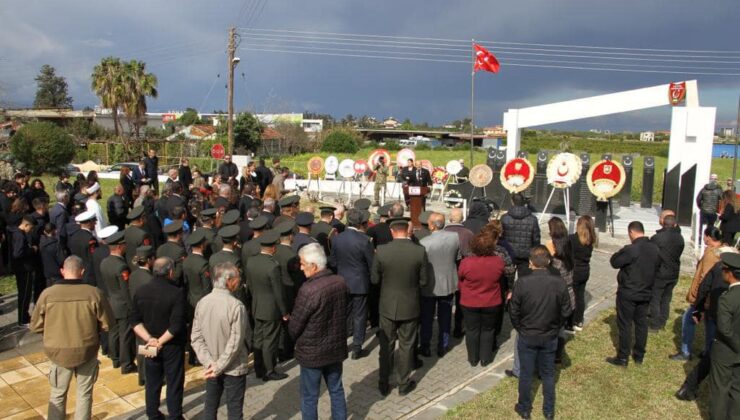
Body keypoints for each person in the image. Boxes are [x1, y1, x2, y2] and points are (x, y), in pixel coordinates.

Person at [30, 255, 114, 420]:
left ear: (62, 271)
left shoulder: (47, 294)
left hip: (57, 352)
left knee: (57, 394)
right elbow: (107, 324)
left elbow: (35, 326)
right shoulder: (94, 293)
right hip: (87, 350)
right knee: (84, 394)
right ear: (82, 272)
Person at [509, 246, 572, 420]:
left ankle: (524, 408)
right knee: (548, 374)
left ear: (530, 263)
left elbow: (513, 311)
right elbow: (566, 310)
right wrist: (556, 326)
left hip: (529, 335)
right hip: (548, 334)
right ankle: (548, 410)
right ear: (549, 261)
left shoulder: (522, 282)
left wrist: (520, 328)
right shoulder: (558, 282)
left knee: (526, 373)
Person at [290, 243, 349, 420]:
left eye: (302, 264)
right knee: (337, 390)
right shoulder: (340, 281)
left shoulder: (308, 290)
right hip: (335, 349)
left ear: (314, 266)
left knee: (309, 397)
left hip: (312, 354)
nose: (300, 268)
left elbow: (295, 326)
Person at [371, 217, 428, 396]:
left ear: (392, 231)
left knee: (385, 345)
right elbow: (424, 280)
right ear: (407, 230)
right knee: (407, 345)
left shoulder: (381, 250)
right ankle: (403, 383)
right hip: (410, 304)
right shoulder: (419, 251)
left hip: (387, 305)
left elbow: (374, 279)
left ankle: (383, 382)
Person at [675, 244, 738, 401]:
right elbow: (704, 288)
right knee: (714, 354)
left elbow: (704, 287)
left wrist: (698, 309)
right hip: (720, 317)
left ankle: (689, 386)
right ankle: (690, 386)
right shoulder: (721, 268)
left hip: (720, 316)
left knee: (714, 353)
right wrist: (697, 310)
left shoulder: (719, 267)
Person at [131, 257, 187, 420]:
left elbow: (134, 321)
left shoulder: (141, 291)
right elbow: (176, 325)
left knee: (152, 382)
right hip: (171, 345)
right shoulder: (176, 293)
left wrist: (150, 340)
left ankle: (153, 414)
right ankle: (175, 415)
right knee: (174, 382)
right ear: (170, 272)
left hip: (150, 345)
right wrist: (160, 341)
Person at [191, 262, 248, 420]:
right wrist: (218, 366)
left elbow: (196, 338)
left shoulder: (202, 303)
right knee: (235, 409)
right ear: (229, 280)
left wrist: (210, 363)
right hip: (233, 368)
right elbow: (235, 342)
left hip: (211, 366)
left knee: (210, 405)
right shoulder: (236, 306)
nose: (239, 281)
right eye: (238, 277)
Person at [606, 221, 659, 367]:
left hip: (628, 292)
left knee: (625, 324)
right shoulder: (654, 249)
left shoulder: (631, 249)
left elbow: (614, 262)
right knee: (641, 323)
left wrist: (622, 250)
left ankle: (623, 357)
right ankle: (639, 355)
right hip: (646, 291)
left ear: (631, 232)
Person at [672, 226, 723, 361]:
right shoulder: (722, 251)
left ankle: (686, 351)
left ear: (708, 237)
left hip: (703, 299)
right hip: (714, 298)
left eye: (705, 236)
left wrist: (700, 301)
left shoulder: (710, 255)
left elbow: (704, 279)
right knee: (710, 324)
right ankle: (708, 352)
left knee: (688, 319)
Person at [458, 227, 506, 367]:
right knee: (488, 329)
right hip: (491, 301)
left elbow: (460, 277)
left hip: (469, 301)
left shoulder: (466, 262)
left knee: (472, 330)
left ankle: (473, 358)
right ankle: (485, 358)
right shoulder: (498, 261)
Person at [329, 209, 374, 359]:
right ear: (361, 223)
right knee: (360, 316)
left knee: (342, 315)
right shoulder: (364, 240)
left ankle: (341, 346)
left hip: (342, 282)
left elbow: (333, 262)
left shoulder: (337, 239)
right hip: (360, 283)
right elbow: (371, 264)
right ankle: (356, 347)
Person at [247, 230, 289, 381]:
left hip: (257, 305)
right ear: (273, 248)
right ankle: (269, 369)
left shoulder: (251, 261)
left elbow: (250, 285)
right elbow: (278, 292)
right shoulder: (273, 266)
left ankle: (259, 368)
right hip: (271, 309)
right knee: (270, 341)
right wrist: (284, 312)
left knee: (258, 338)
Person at [419, 213, 460, 358]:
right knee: (446, 316)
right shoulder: (454, 237)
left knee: (427, 317)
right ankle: (443, 345)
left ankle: (425, 346)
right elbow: (457, 256)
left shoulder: (424, 242)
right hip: (448, 282)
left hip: (430, 284)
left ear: (432, 225)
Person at [100, 230, 138, 374]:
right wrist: (132, 307)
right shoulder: (121, 266)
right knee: (125, 335)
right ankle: (126, 364)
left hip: (111, 301)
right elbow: (125, 290)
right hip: (122, 305)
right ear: (120, 247)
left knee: (114, 332)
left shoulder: (105, 262)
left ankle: (115, 358)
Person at [708, 252, 740, 418]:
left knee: (720, 389)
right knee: (737, 389)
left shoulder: (727, 298)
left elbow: (724, 329)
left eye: (724, 270)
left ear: (730, 273)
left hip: (726, 350)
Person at [649, 211, 684, 331]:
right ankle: (662, 321)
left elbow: (651, 254)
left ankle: (654, 324)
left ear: (663, 223)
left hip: (660, 273)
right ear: (674, 225)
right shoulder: (680, 238)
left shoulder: (657, 238)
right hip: (674, 272)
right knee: (666, 298)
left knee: (655, 298)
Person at [501, 193, 541, 277]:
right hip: (526, 255)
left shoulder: (504, 218)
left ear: (512, 202)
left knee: (508, 283)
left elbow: (501, 237)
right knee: (524, 282)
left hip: (508, 254)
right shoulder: (533, 219)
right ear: (523, 202)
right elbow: (536, 239)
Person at [10, 216, 38, 326]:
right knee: (25, 294)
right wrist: (32, 249)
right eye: (30, 227)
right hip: (24, 269)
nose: (31, 230)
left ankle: (24, 315)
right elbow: (18, 253)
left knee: (24, 293)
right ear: (26, 225)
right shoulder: (20, 236)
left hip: (21, 268)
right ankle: (23, 319)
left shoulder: (16, 233)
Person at [569, 216, 596, 331]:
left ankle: (570, 322)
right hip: (585, 270)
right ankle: (579, 321)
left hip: (574, 270)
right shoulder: (591, 240)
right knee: (580, 296)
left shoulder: (572, 239)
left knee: (572, 296)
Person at [697, 174, 723, 243]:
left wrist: (701, 207)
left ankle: (700, 240)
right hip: (713, 212)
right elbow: (723, 199)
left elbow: (698, 199)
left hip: (704, 211)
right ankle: (709, 240)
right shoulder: (718, 190)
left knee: (702, 226)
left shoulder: (704, 189)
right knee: (711, 226)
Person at [40, 223, 65, 287]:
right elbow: (61, 260)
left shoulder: (41, 244)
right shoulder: (56, 244)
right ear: (55, 231)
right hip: (57, 274)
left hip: (47, 274)